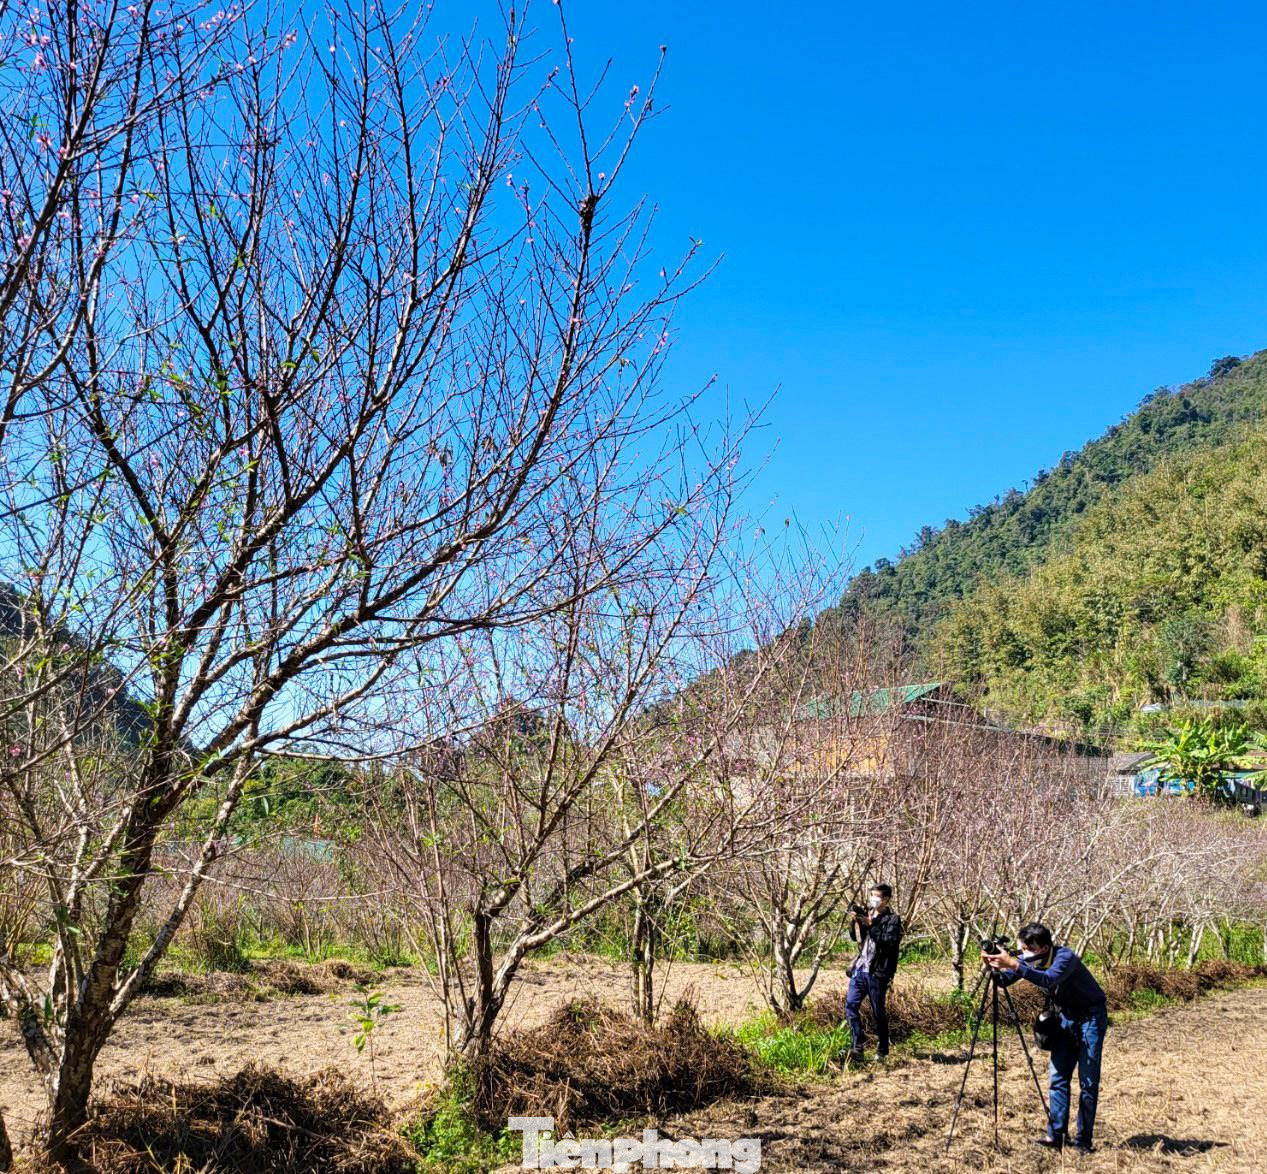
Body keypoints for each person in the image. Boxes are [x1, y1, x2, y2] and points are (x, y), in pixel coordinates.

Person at [984, 922, 1108, 1155]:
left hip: (1090, 1017)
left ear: (1043, 947)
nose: (1022, 953)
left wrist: (1014, 964)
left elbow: (1049, 979)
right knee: (1058, 1077)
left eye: (1027, 948)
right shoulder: (1027, 958)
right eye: (1020, 948)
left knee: (1088, 1081)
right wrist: (992, 964)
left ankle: (1084, 1140)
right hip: (1064, 1018)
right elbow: (1002, 981)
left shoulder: (1065, 957)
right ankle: (1056, 1134)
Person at [844, 882, 903, 1061]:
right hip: (861, 968)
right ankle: (858, 1045)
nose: (873, 899)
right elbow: (856, 937)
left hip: (878, 972)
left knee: (878, 1011)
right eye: (872, 895)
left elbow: (888, 943)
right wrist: (856, 921)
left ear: (886, 899)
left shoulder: (893, 919)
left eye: (876, 896)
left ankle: (883, 1048)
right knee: (850, 1005)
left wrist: (871, 925)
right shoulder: (868, 913)